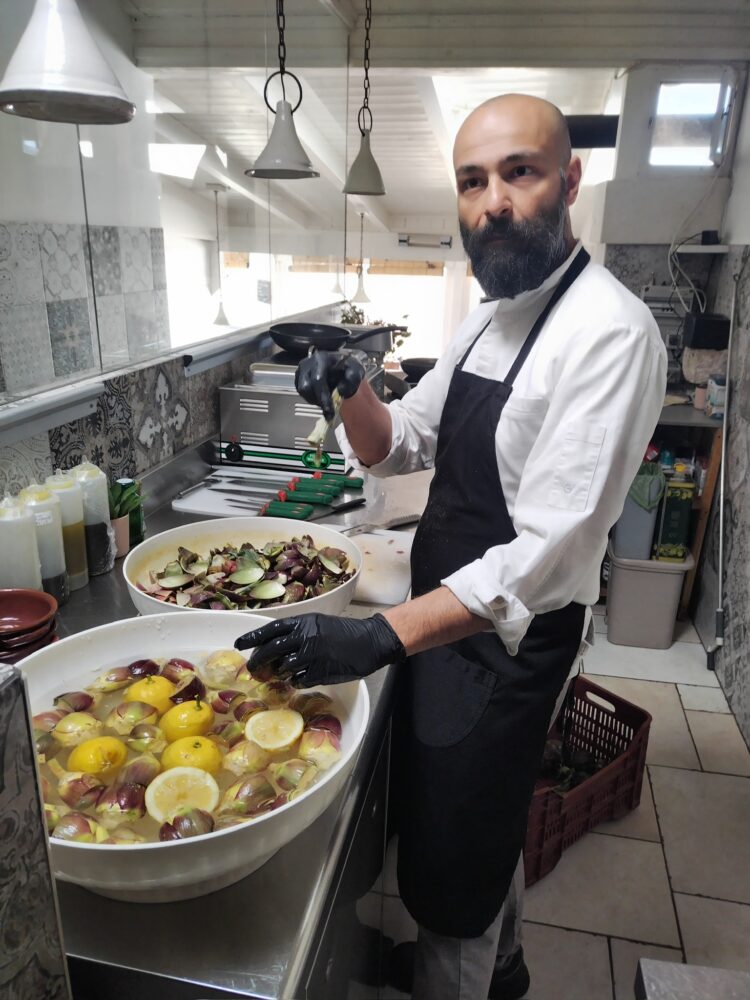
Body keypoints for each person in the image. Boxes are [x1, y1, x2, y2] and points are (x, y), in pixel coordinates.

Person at [235, 93, 667, 1000]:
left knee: (457, 846)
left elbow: (543, 557)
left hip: (511, 644)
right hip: (445, 619)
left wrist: (380, 635)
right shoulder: (489, 313)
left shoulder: (610, 332)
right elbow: (400, 444)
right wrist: (348, 388)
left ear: (569, 180)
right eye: (473, 181)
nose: (492, 202)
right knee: (481, 819)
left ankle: (457, 979)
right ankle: (497, 968)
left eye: (520, 172)